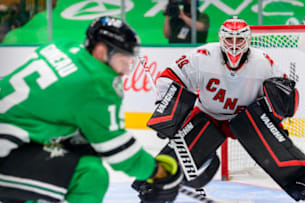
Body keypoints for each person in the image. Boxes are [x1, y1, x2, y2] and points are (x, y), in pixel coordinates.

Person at [0, 16, 182, 203]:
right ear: (102, 51)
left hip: (12, 138)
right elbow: (118, 151)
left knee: (72, 160)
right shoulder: (97, 84)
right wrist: (157, 171)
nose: (128, 68)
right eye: (124, 57)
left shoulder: (61, 47)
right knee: (91, 175)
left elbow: (46, 109)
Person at [142, 16, 305, 202]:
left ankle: (301, 181)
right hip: (207, 114)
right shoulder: (202, 56)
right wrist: (167, 113)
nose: (235, 45)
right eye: (230, 39)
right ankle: (153, 186)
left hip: (245, 118)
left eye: (240, 39)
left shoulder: (263, 62)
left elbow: (284, 93)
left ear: (248, 40)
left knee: (273, 139)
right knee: (181, 151)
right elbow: (170, 77)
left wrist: (274, 119)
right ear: (221, 39)